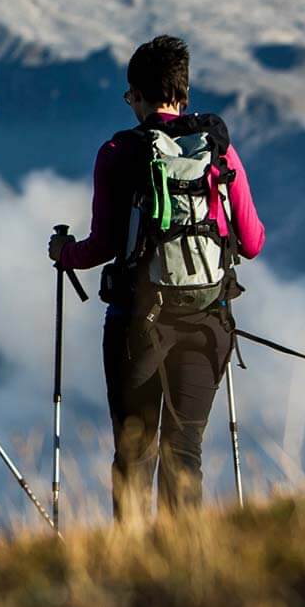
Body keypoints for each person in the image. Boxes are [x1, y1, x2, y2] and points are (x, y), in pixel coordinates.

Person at [48, 34, 266, 520]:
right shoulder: (219, 151)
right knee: (184, 451)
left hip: (137, 324)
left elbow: (102, 246)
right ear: (183, 91)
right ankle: (183, 556)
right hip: (207, 322)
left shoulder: (118, 151)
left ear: (138, 96)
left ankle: (128, 555)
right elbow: (252, 242)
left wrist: (65, 254)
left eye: (130, 95)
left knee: (135, 450)